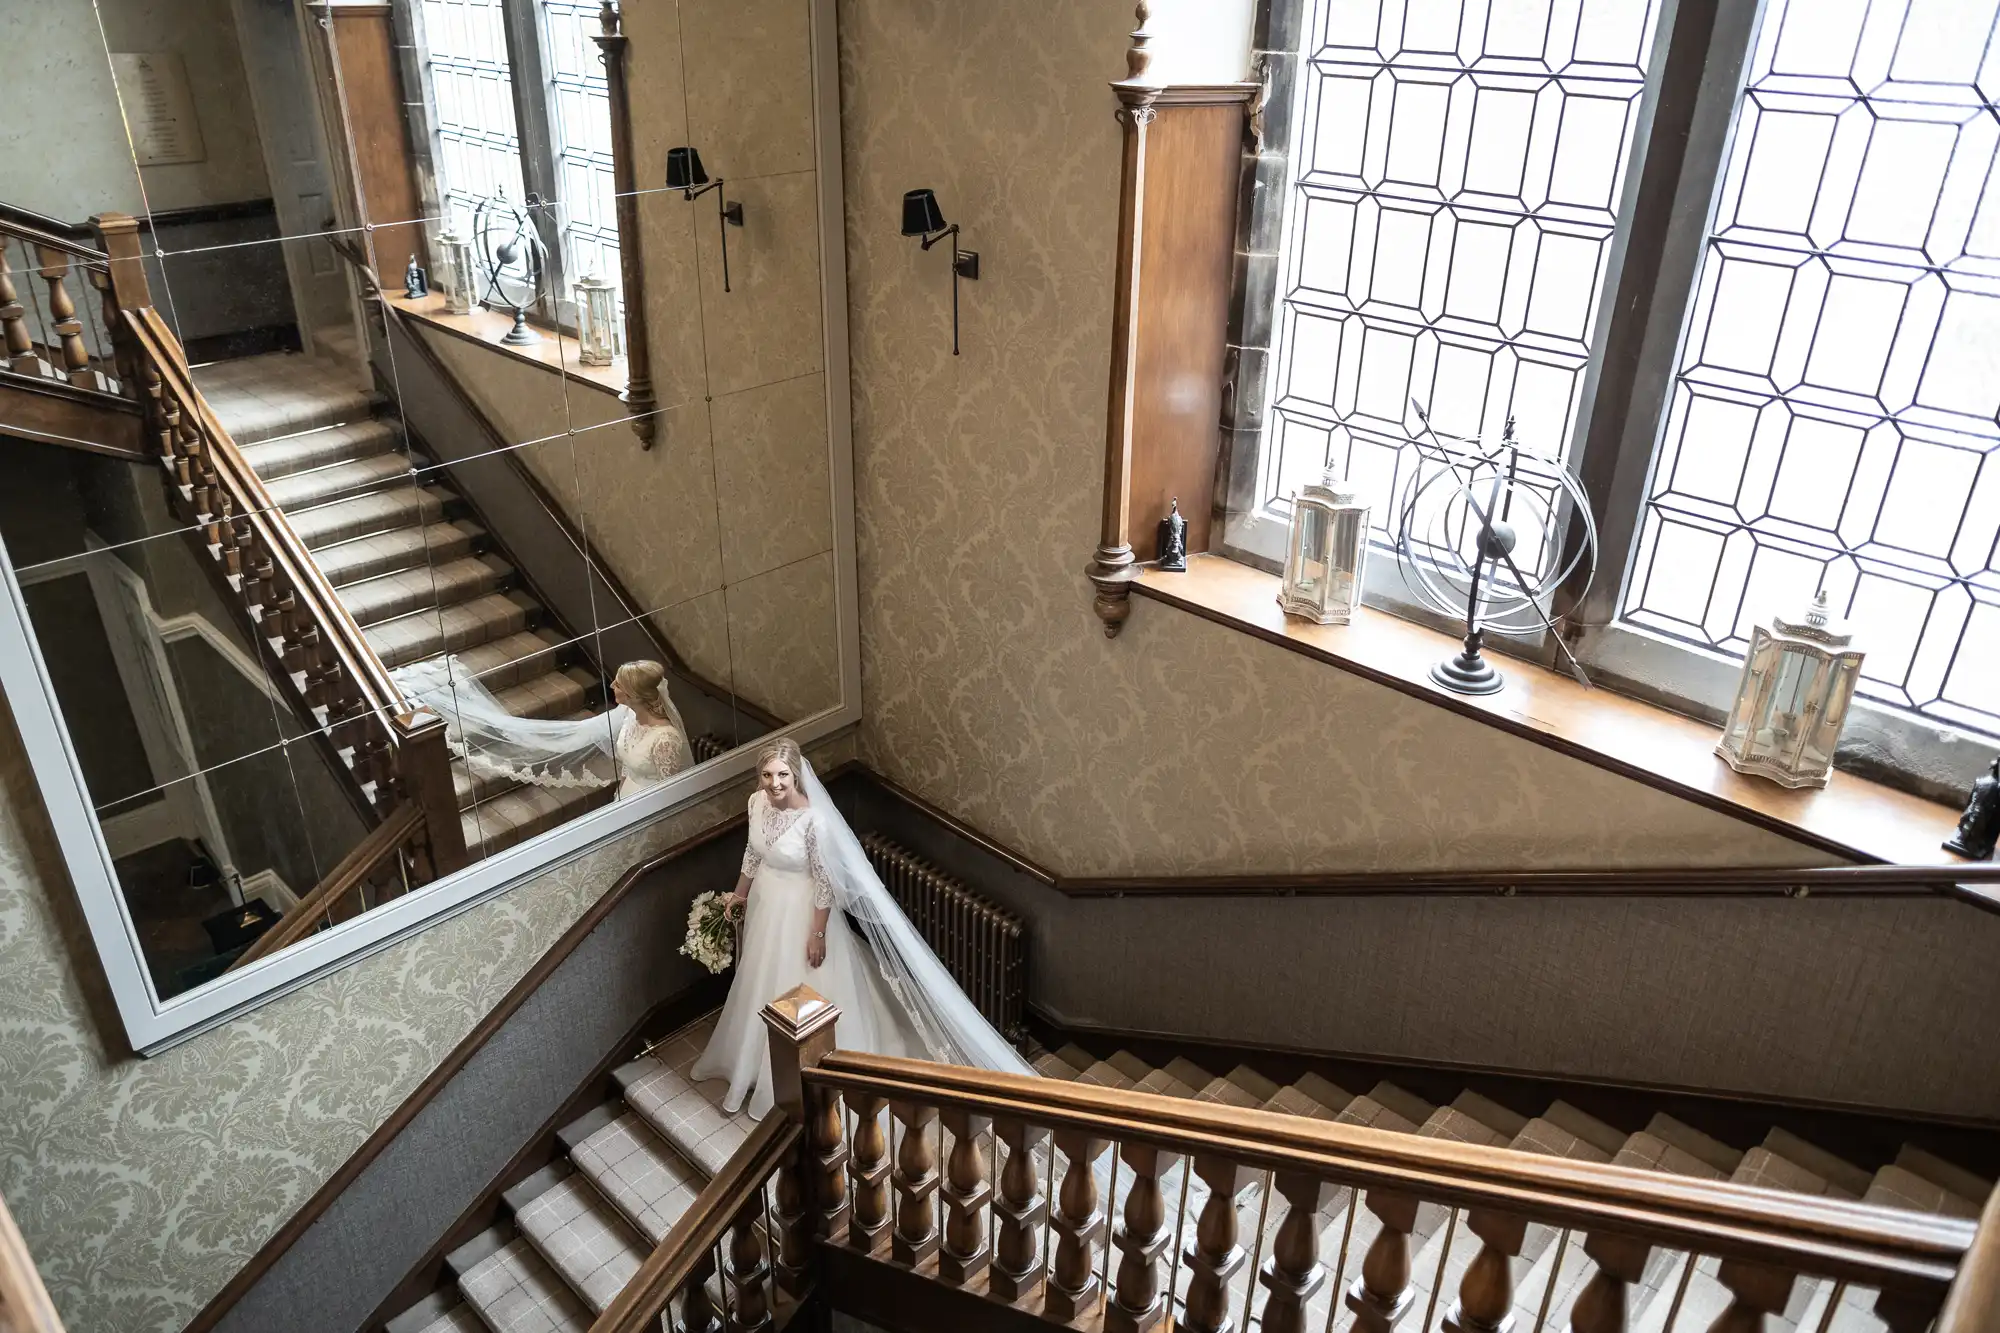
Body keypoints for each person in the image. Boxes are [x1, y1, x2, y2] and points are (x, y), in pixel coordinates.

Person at [690, 737, 1033, 1118]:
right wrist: (738, 896)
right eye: (768, 774)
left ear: (797, 774)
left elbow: (823, 882)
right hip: (765, 906)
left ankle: (798, 1075)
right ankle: (751, 1061)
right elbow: (753, 853)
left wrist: (817, 934)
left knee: (796, 989)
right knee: (759, 981)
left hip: (802, 913)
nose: (775, 783)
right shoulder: (756, 803)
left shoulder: (813, 821)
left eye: (783, 774)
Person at [391, 655, 693, 797]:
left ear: (637, 695)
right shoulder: (627, 717)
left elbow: (670, 793)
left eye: (620, 684)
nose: (611, 684)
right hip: (626, 795)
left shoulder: (665, 739)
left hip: (648, 803)